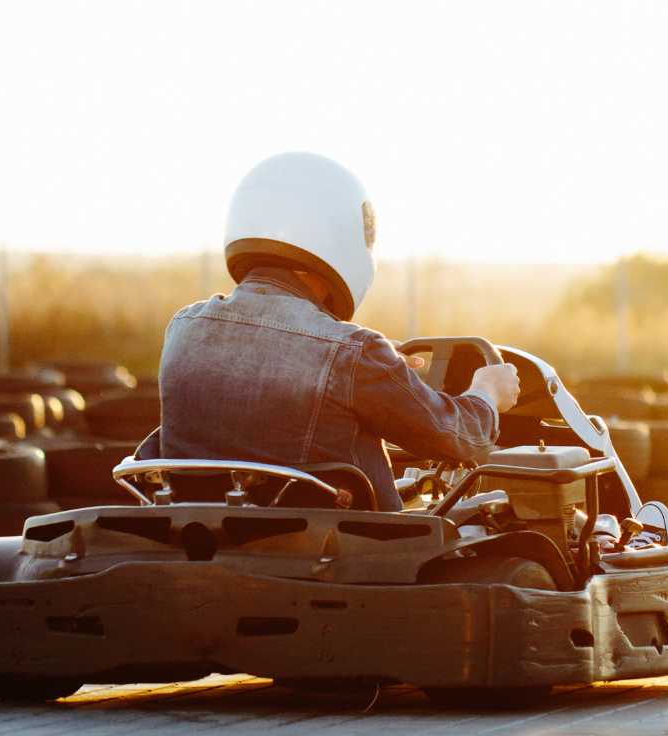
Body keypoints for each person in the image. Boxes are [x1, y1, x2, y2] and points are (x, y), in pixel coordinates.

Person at [148, 151, 519, 510]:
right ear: (338, 237)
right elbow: (453, 438)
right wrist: (486, 393)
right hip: (346, 555)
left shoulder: (183, 329)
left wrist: (370, 363)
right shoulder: (353, 353)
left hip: (200, 540)